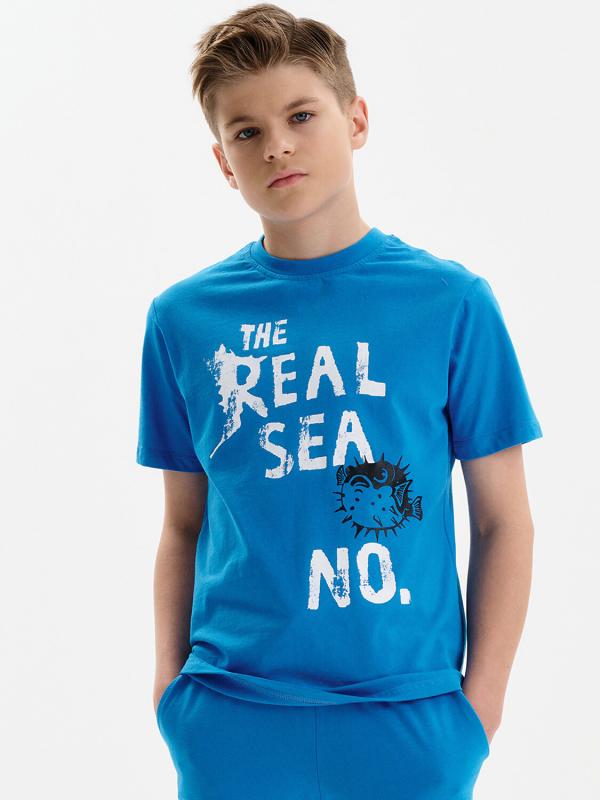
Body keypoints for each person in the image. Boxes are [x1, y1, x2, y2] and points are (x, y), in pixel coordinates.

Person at [135, 4, 543, 798]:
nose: (277, 145)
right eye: (247, 131)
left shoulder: (451, 304)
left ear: (355, 120)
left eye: (300, 116)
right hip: (232, 714)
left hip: (410, 716)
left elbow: (505, 520)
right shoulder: (184, 320)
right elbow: (183, 523)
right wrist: (171, 692)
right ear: (223, 161)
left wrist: (478, 709)